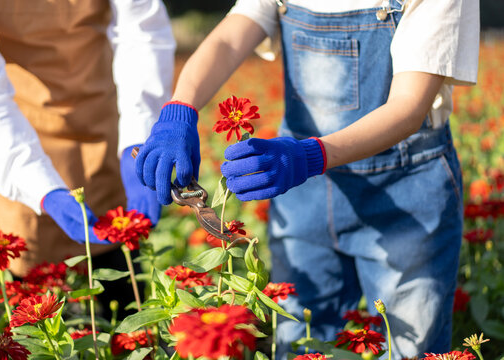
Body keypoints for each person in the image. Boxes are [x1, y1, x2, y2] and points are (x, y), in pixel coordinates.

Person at [134, 0, 479, 358]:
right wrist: (181, 108)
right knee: (299, 338)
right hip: (302, 190)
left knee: (411, 344)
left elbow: (408, 107)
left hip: (404, 191)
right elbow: (232, 35)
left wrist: (308, 156)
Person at [0, 0, 174, 316]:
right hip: (17, 135)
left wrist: (139, 142)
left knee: (123, 290)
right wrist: (41, 188)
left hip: (101, 126)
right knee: (30, 304)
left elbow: (143, 33)